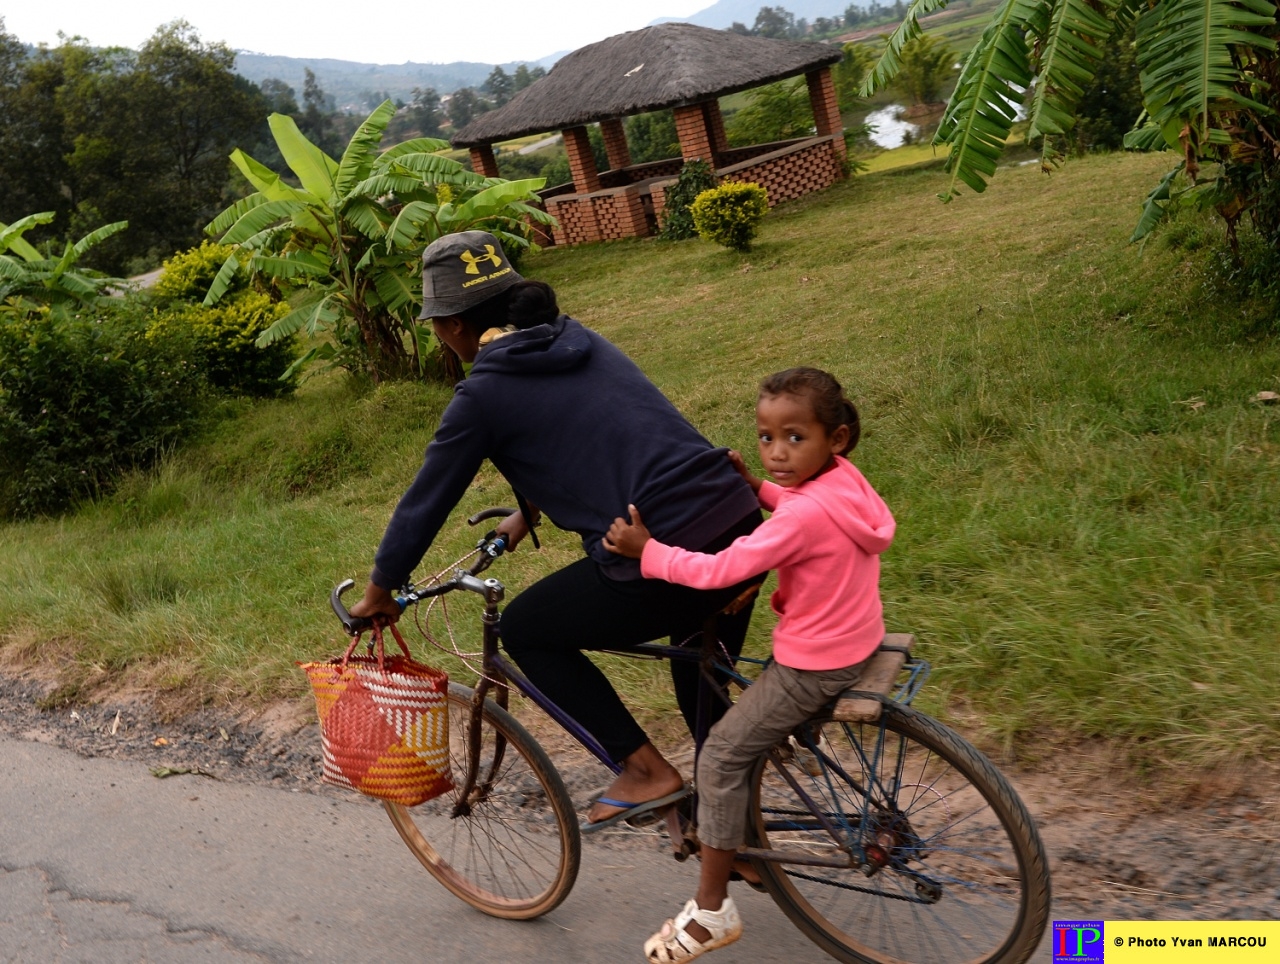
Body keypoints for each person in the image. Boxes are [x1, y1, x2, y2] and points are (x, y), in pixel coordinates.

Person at [348, 230, 764, 829]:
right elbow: (580, 431)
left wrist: (380, 590)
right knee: (698, 675)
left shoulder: (483, 394)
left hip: (663, 547)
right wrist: (529, 510)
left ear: (453, 326)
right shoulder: (575, 338)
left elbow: (425, 501)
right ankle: (736, 835)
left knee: (529, 629)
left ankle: (647, 771)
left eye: (434, 323)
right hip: (735, 517)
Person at [603, 367, 896, 962]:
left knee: (720, 757)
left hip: (814, 664)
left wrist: (647, 551)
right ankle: (752, 805)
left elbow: (720, 571)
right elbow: (796, 498)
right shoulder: (846, 483)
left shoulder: (800, 518)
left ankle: (710, 913)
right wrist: (757, 486)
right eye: (767, 438)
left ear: (834, 439)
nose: (778, 452)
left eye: (794, 438)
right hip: (858, 637)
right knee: (739, 733)